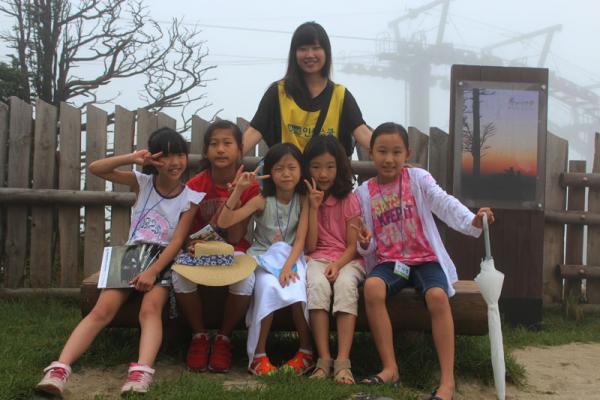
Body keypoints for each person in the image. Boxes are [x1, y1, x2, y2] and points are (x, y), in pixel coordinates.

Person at [36, 128, 204, 395]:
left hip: (163, 259)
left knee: (150, 310)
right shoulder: (142, 182)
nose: (175, 162)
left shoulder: (190, 198)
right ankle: (59, 369)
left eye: (180, 155)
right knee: (101, 311)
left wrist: (153, 272)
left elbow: (176, 242)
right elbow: (96, 168)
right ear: (153, 159)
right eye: (166, 156)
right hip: (131, 254)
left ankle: (141, 373)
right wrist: (133, 158)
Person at [353, 122, 494, 400]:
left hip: (426, 258)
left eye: (396, 152)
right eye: (382, 151)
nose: (389, 159)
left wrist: (473, 220)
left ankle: (447, 382)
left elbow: (444, 202)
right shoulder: (364, 193)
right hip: (390, 262)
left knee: (438, 296)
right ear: (371, 153)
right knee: (372, 288)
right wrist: (365, 243)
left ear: (407, 154)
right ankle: (390, 368)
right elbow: (365, 241)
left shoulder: (418, 179)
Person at [217, 143, 313, 376]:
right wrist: (238, 191)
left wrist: (288, 266)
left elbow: (301, 239)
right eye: (279, 168)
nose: (286, 173)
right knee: (267, 287)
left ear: (301, 170)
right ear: (269, 172)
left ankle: (306, 351)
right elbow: (224, 222)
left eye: (292, 167)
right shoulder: (262, 199)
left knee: (298, 287)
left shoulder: (303, 199)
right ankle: (258, 355)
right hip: (262, 258)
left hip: (292, 258)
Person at [174, 120, 260, 373]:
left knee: (246, 279)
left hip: (234, 250)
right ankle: (199, 335)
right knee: (180, 277)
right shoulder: (195, 185)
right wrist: (191, 245)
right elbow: (186, 232)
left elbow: (235, 236)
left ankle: (223, 337)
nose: (220, 149)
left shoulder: (251, 186)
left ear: (240, 149)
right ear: (206, 150)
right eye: (214, 144)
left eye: (227, 143)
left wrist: (236, 194)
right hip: (200, 250)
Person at [242, 21, 371, 157]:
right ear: (294, 54)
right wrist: (229, 156)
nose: (310, 54)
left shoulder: (340, 96)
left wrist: (385, 153)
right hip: (286, 171)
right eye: (303, 49)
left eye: (316, 48)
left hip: (324, 171)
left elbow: (362, 133)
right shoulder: (278, 93)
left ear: (326, 52)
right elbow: (254, 132)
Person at [303, 135, 365, 384]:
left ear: (339, 167)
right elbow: (310, 245)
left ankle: (343, 361)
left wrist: (337, 265)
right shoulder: (306, 198)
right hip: (316, 257)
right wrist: (313, 207)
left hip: (348, 260)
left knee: (345, 285)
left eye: (330, 166)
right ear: (307, 168)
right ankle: (324, 359)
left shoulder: (349, 199)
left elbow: (352, 246)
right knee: (317, 286)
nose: (323, 173)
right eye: (316, 166)